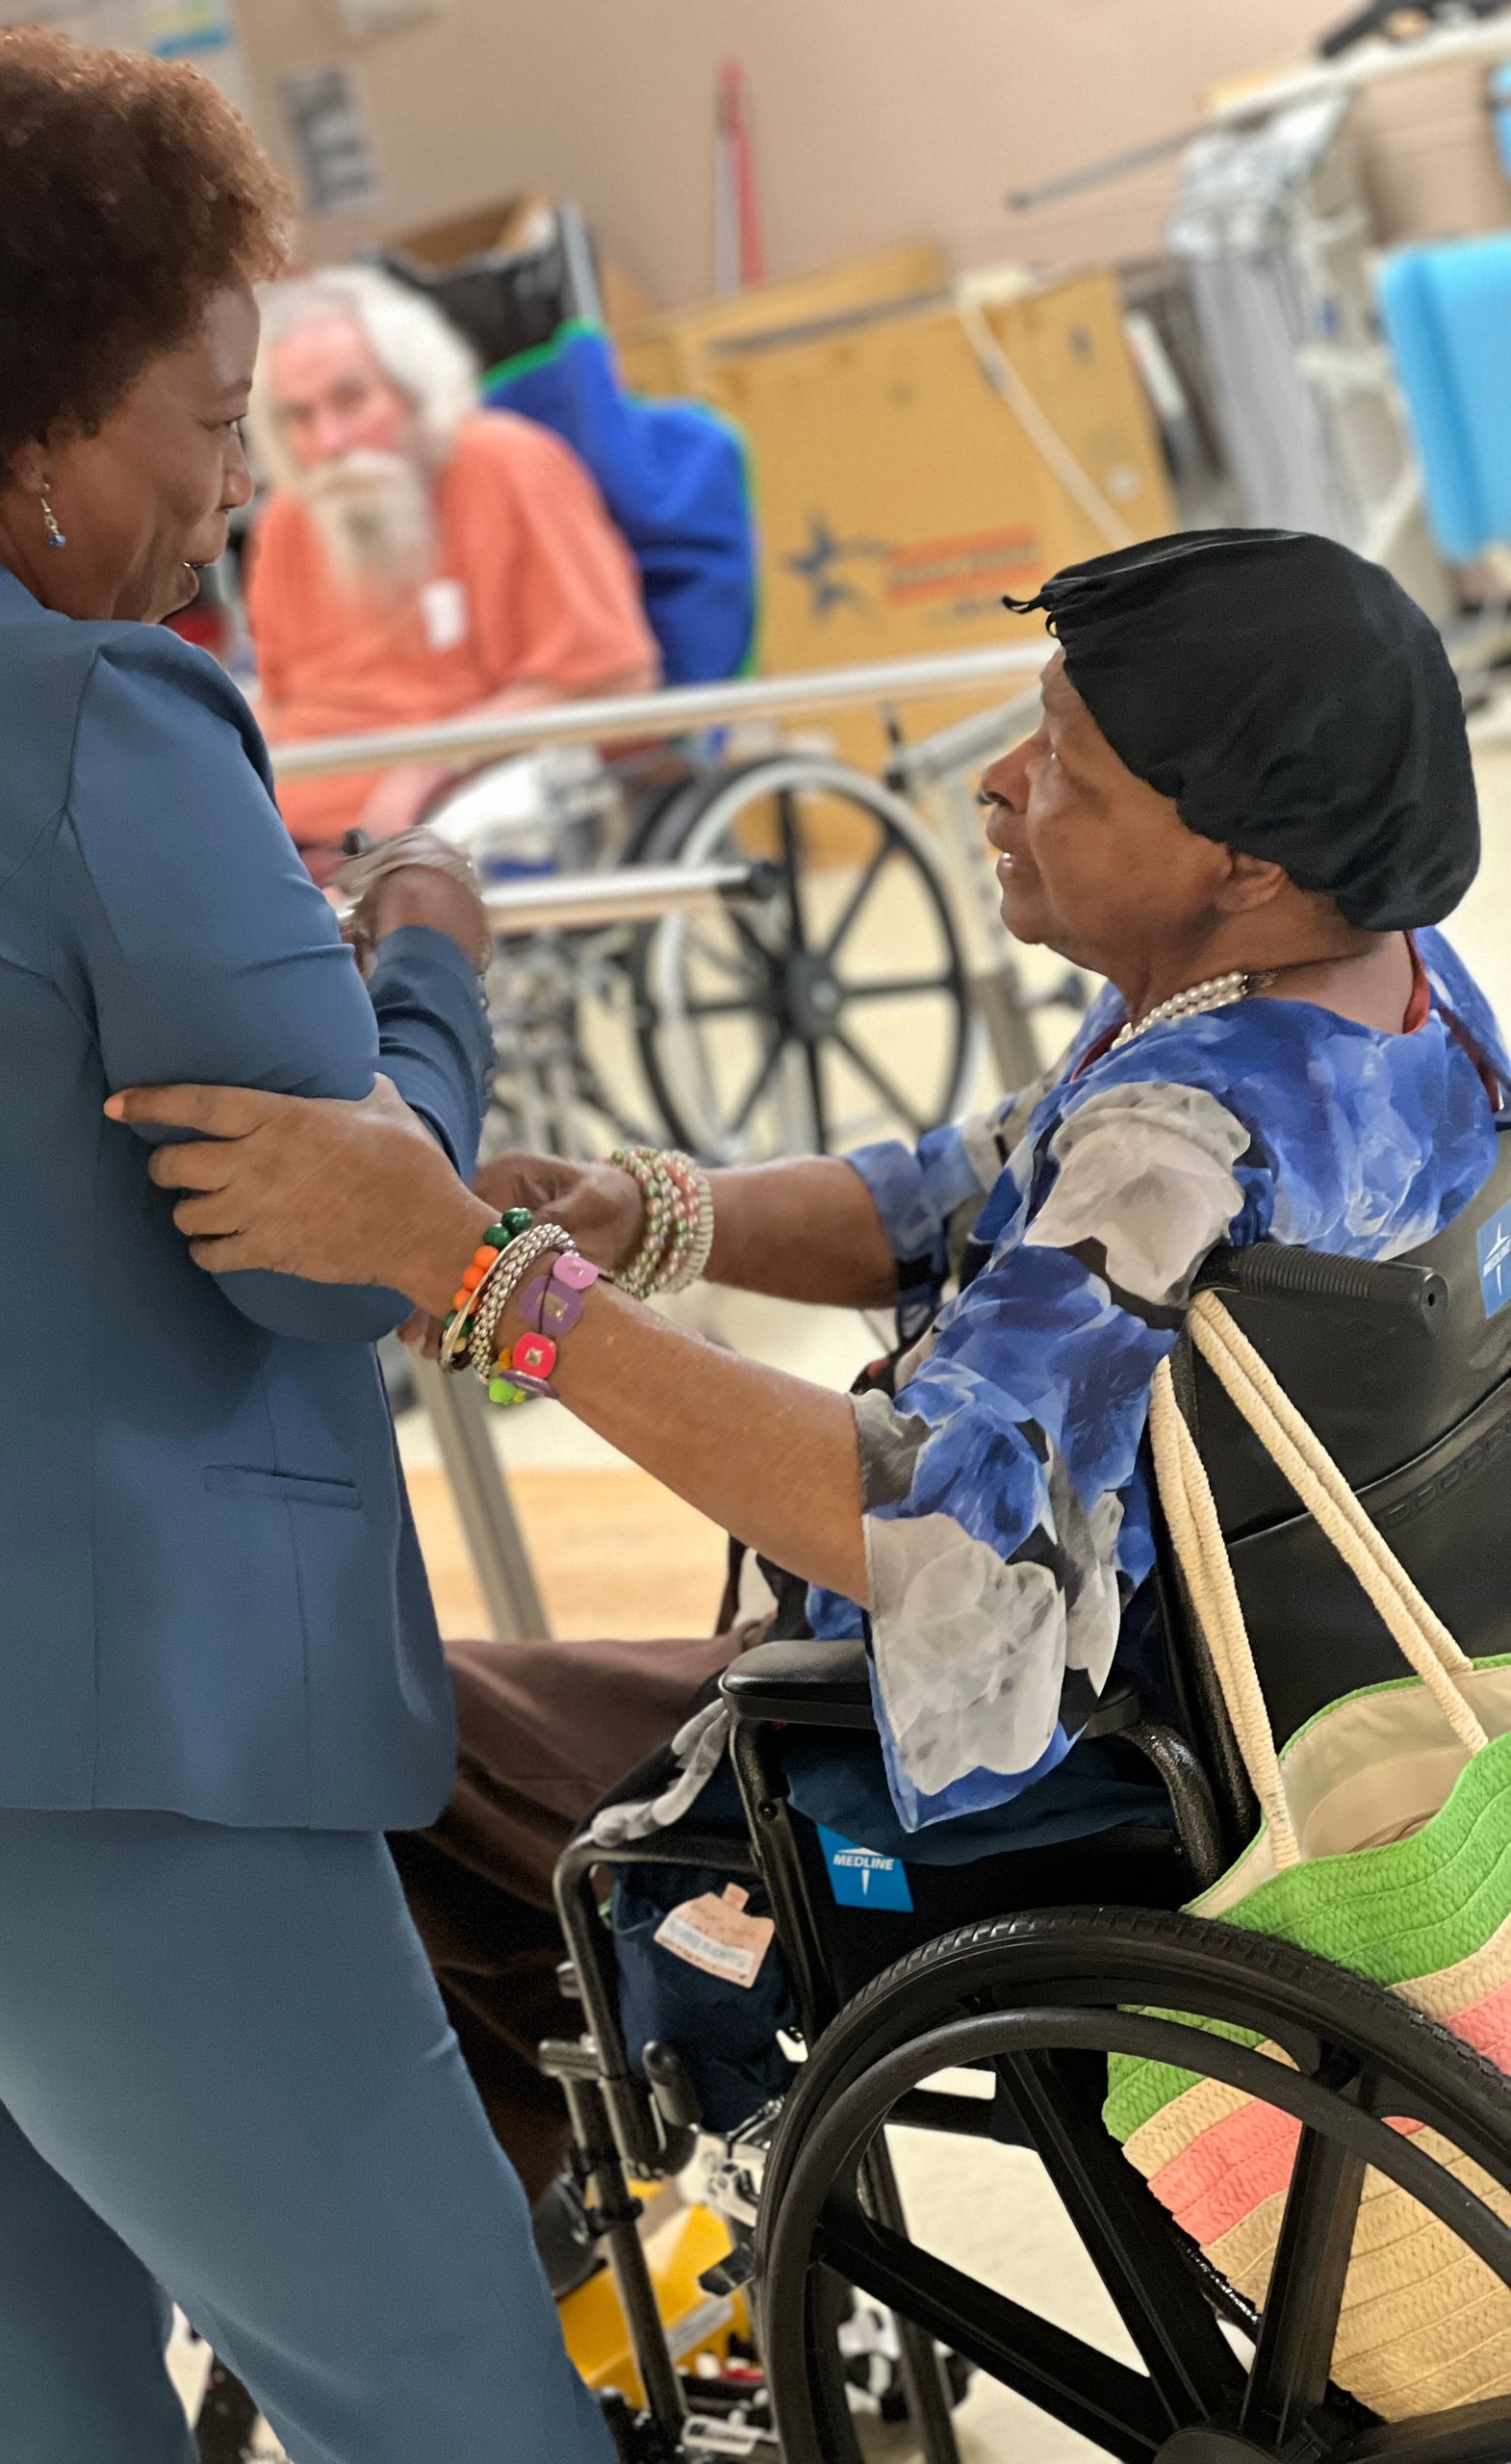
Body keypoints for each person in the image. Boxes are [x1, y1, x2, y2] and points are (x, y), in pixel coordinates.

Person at [110, 527, 1510, 2229]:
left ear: (1239, 862)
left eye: (1064, 764)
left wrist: (485, 1284)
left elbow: (921, 1518)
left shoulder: (1181, 1134)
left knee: (383, 1740)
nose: (999, 785)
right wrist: (647, 1218)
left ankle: (477, 2277)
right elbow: (983, 1185)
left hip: (1056, 1775)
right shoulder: (1398, 1006)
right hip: (1280, 1700)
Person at [0, 33, 612, 2464]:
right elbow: (325, 1242)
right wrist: (430, 966)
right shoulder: (99, 712)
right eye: (204, 418)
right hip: (67, 1724)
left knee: (5, 2374)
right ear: (28, 438)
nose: (235, 480)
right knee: (438, 2386)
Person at [243, 266, 658, 873]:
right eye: (299, 418)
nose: (329, 441)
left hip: (454, 798)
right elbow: (280, 700)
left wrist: (429, 765)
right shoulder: (288, 520)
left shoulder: (508, 466)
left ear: (414, 390)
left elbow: (612, 676)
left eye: (350, 398)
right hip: (306, 812)